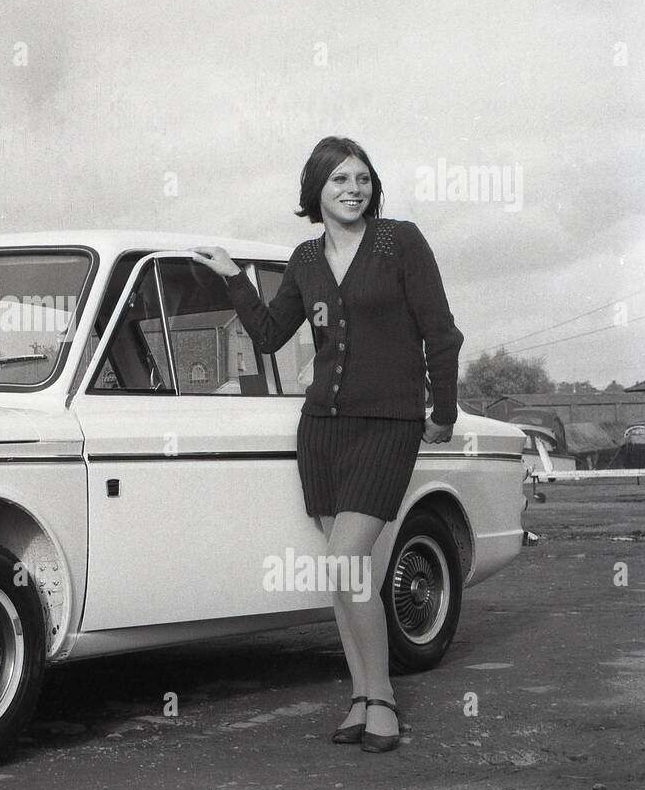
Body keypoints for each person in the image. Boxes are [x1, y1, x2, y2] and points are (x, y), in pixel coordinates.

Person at [195, 137, 463, 753]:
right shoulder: (305, 258)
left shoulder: (401, 242)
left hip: (388, 425)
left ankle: (385, 699)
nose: (353, 188)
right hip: (322, 430)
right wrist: (235, 280)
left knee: (348, 560)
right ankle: (360, 697)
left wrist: (442, 412)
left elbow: (440, 335)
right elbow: (268, 336)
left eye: (362, 178)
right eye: (339, 178)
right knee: (343, 576)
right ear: (315, 190)